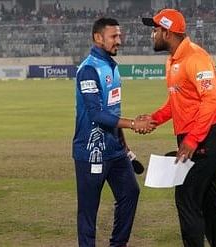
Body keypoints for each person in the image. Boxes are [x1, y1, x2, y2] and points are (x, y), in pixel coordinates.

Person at [141, 8, 216, 247]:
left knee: (187, 198)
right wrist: (154, 119)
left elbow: (211, 100)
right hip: (195, 139)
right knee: (208, 201)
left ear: (167, 32)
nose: (152, 34)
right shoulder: (173, 60)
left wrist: (191, 141)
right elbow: (177, 102)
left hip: (205, 139)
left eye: (156, 29)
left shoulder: (195, 57)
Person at [72, 17, 156, 247]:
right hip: (91, 152)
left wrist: (125, 144)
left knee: (130, 193)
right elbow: (96, 114)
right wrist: (133, 124)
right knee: (88, 211)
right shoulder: (88, 69)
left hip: (115, 149)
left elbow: (112, 110)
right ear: (98, 38)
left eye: (119, 35)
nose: (119, 40)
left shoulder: (112, 66)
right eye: (114, 36)